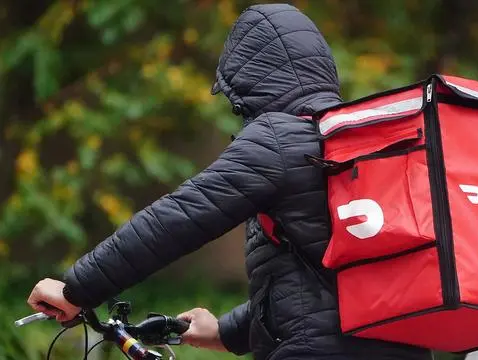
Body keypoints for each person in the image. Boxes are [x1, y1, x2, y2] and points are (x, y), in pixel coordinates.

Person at [27, 4, 432, 360]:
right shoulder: (367, 150)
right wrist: (227, 332)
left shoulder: (279, 136)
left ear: (251, 81)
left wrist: (77, 288)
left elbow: (178, 218)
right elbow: (331, 286)